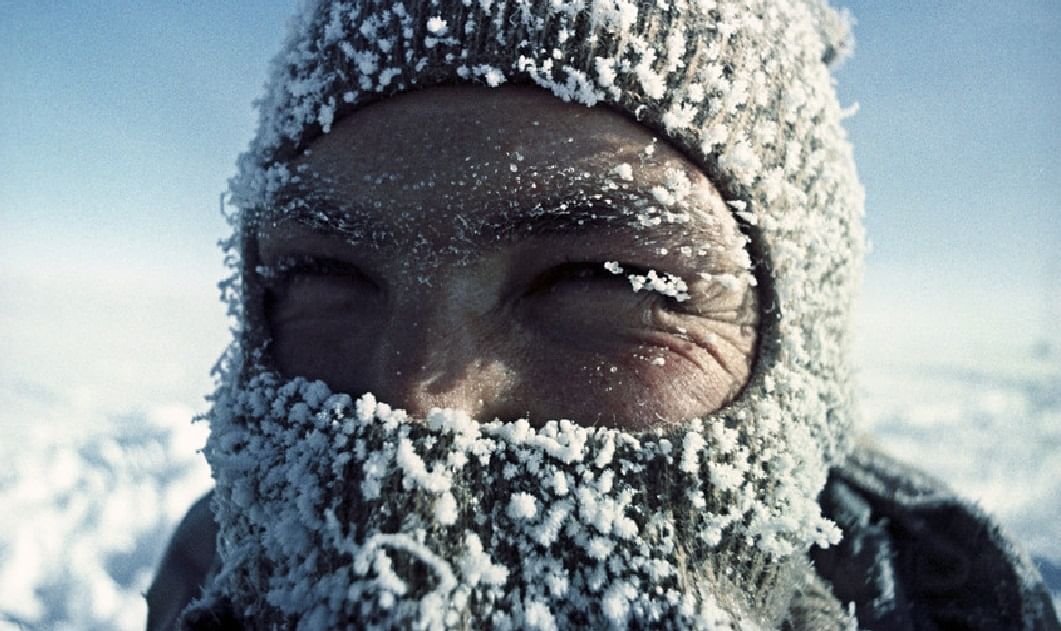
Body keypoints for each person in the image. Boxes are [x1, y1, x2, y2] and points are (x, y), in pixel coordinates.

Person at [147, 0, 1059, 629]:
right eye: (323, 276)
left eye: (604, 280)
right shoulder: (205, 566)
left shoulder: (964, 601)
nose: (415, 403)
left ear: (796, 366)